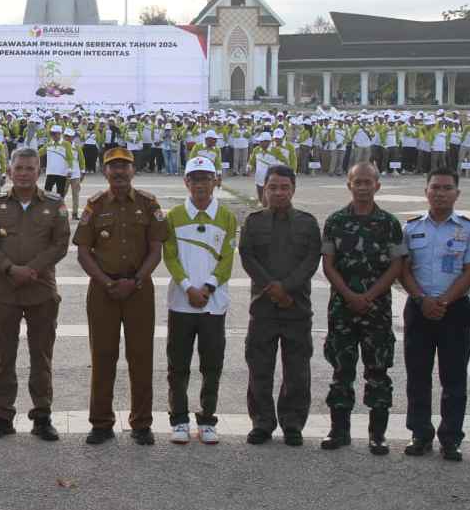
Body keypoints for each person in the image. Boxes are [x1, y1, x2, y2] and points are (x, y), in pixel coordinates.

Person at [74, 147, 167, 445]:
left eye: (124, 167)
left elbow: (156, 249)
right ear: (105, 173)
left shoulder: (148, 203)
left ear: (133, 171)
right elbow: (83, 252)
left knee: (141, 356)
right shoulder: (95, 205)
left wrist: (137, 280)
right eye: (113, 168)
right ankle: (101, 423)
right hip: (103, 291)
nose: (119, 172)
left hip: (139, 289)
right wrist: (106, 282)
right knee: (102, 356)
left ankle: (141, 423)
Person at [0, 148, 70, 441]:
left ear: (39, 171)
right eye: (19, 168)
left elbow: (60, 244)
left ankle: (42, 414)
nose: (24, 173)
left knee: (41, 354)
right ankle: (3, 413)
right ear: (9, 170)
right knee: (4, 354)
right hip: (5, 290)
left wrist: (31, 269)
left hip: (41, 289)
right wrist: (9, 269)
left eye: (30, 168)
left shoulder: (55, 204)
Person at [396, 169, 470, 461]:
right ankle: (420, 433)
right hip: (419, 308)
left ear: (457, 194)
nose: (440, 193)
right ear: (426, 192)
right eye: (435, 187)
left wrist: (444, 300)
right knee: (417, 374)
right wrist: (421, 299)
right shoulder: (411, 228)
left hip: (454, 309)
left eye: (447, 188)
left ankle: (450, 438)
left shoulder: (469, 230)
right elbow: (403, 269)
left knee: (454, 375)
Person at [320, 161, 405, 455]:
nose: (363, 187)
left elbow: (397, 265)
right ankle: (339, 430)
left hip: (376, 309)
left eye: (369, 182)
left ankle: (377, 434)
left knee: (378, 371)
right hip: (342, 309)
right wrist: (348, 295)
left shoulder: (390, 223)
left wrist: (368, 296)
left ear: (377, 185)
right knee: (341, 370)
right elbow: (328, 264)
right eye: (358, 182)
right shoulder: (335, 221)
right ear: (349, 185)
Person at [238, 165, 321, 446]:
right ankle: (262, 421)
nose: (279, 192)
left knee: (297, 369)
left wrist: (287, 288)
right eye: (273, 187)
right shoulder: (254, 221)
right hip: (263, 307)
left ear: (293, 189)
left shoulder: (308, 223)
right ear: (265, 189)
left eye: (285, 187)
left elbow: (311, 261)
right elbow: (248, 257)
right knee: (259, 367)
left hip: (297, 308)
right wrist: (272, 289)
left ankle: (292, 422)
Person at [161, 156, 237, 445]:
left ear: (215, 181)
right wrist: (187, 287)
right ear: (186, 182)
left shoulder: (227, 216)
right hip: (181, 303)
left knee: (211, 365)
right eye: (195, 179)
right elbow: (170, 256)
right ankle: (179, 419)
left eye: (207, 178)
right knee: (177, 365)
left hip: (213, 304)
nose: (201, 184)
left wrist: (207, 287)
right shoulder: (175, 216)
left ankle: (207, 419)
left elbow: (227, 259)